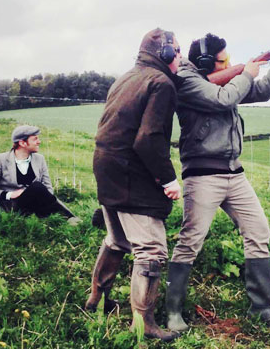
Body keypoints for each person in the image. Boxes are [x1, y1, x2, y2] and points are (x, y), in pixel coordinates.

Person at [164, 33, 270, 331]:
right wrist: (245, 72)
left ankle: (262, 308)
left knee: (258, 231)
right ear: (206, 62)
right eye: (224, 61)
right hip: (204, 174)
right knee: (191, 240)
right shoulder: (186, 80)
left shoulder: (223, 79)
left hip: (235, 172)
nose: (230, 64)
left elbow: (259, 91)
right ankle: (172, 312)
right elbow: (224, 99)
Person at [84, 28, 182, 342]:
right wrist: (169, 179)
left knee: (117, 239)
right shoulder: (161, 83)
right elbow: (149, 140)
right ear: (165, 54)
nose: (180, 56)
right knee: (151, 251)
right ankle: (145, 325)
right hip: (131, 171)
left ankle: (96, 298)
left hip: (106, 164)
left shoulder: (127, 77)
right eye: (177, 51)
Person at [0, 125, 80, 225]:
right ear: (22, 143)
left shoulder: (39, 159)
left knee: (39, 188)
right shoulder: (0, 160)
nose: (39, 142)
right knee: (37, 186)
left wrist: (42, 201)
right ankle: (69, 219)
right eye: (35, 139)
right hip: (11, 205)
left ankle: (65, 219)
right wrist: (9, 194)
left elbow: (48, 188)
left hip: (34, 204)